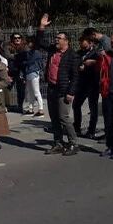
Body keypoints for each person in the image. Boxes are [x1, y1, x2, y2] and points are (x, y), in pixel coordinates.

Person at [38, 14, 81, 156]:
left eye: (59, 39)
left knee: (64, 117)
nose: (56, 40)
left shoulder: (72, 55)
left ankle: (74, 143)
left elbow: (75, 76)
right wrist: (42, 27)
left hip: (64, 90)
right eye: (56, 38)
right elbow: (40, 42)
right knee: (54, 118)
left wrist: (71, 92)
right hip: (52, 88)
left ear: (66, 41)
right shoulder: (52, 51)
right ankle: (58, 143)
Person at [73, 36, 101, 138]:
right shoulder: (79, 53)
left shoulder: (96, 54)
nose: (81, 45)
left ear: (91, 43)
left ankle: (91, 130)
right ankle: (76, 127)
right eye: (80, 43)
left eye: (83, 43)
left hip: (93, 84)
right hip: (82, 84)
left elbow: (101, 65)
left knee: (93, 108)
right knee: (76, 105)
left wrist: (92, 64)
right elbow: (75, 63)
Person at [22, 37, 45, 117]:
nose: (28, 44)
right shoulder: (30, 52)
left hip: (34, 73)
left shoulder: (35, 52)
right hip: (29, 72)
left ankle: (41, 109)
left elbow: (30, 61)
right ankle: (31, 108)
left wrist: (24, 62)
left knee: (36, 91)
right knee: (30, 92)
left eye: (29, 43)